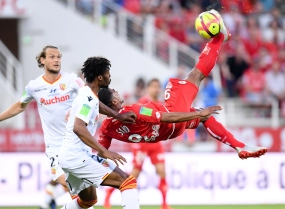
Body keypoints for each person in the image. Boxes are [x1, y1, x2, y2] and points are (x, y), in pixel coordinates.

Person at [0, 45, 136, 209]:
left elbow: (91, 98)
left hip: (77, 145)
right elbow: (20, 105)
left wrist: (114, 115)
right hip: (56, 149)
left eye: (59, 56)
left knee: (86, 196)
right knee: (73, 187)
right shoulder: (34, 86)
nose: (56, 60)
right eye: (52, 57)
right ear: (42, 60)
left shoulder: (72, 80)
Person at [97, 10, 267, 160]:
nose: (118, 93)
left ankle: (239, 146)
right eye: (114, 93)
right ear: (113, 102)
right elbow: (166, 117)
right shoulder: (134, 111)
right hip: (172, 116)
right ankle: (220, 36)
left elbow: (100, 151)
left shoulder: (106, 128)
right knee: (195, 75)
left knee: (204, 116)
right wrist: (196, 114)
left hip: (168, 133)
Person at [30, 56, 161, 209]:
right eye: (107, 73)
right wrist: (104, 151)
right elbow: (79, 127)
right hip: (76, 156)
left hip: (69, 156)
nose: (110, 76)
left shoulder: (87, 93)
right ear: (100, 77)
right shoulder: (87, 97)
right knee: (128, 182)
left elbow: (96, 105)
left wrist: (117, 115)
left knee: (88, 199)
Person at [104, 78, 179, 209]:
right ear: (149, 88)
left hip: (155, 144)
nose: (156, 89)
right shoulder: (143, 103)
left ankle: (164, 206)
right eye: (154, 87)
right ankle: (109, 192)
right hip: (143, 144)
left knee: (162, 172)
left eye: (158, 87)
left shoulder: (161, 104)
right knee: (135, 174)